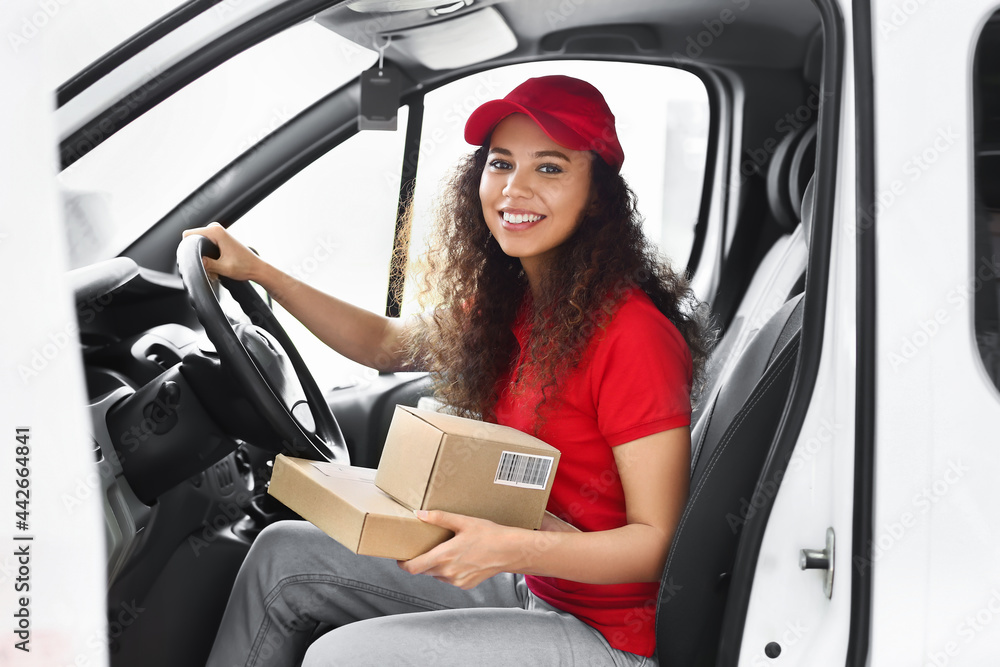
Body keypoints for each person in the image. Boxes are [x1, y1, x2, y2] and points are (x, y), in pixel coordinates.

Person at [187, 75, 712, 667]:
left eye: (550, 168)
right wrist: (262, 274)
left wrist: (507, 546)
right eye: (501, 163)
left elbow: (655, 546)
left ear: (597, 196)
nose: (515, 189)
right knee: (282, 555)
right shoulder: (514, 304)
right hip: (533, 581)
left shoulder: (633, 335)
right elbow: (386, 344)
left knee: (345, 657)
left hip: (609, 636)